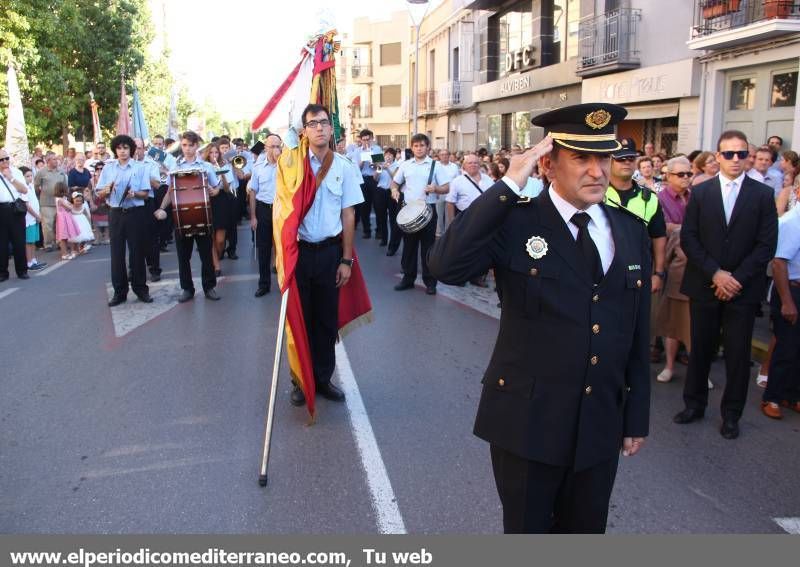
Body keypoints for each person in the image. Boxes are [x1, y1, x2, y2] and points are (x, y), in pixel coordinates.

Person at [429, 103, 651, 534]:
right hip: (527, 421)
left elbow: (638, 329)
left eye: (603, 157)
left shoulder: (628, 229)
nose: (597, 171)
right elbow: (445, 266)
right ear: (548, 165)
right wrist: (510, 183)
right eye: (581, 158)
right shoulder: (515, 220)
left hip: (599, 422)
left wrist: (635, 414)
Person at [673, 129, 778, 440]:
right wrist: (716, 274)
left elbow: (765, 245)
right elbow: (689, 239)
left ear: (748, 156)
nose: (735, 159)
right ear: (717, 157)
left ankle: (731, 415)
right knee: (700, 349)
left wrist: (735, 279)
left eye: (741, 153)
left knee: (736, 355)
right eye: (729, 154)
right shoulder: (701, 193)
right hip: (705, 284)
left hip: (743, 291)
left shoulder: (762, 195)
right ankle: (694, 405)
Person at [286, 104, 364, 407]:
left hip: (329, 253)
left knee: (325, 321)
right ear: (304, 131)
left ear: (332, 129)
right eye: (312, 123)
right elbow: (282, 215)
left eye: (323, 122)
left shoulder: (344, 166)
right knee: (300, 321)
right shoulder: (291, 165)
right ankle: (299, 381)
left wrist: (346, 260)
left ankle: (322, 378)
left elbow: (348, 214)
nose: (319, 128)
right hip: (300, 254)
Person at [154, 131, 221, 303]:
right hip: (181, 219)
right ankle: (187, 289)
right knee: (183, 257)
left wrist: (216, 190)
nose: (188, 149)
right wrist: (162, 208)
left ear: (197, 146)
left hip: (203, 217)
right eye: (184, 145)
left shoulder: (206, 167)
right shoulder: (176, 168)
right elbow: (170, 192)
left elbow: (216, 186)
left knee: (206, 255)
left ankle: (209, 287)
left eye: (191, 145)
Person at [95, 135, 153, 306]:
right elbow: (99, 193)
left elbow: (145, 193)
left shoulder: (139, 168)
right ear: (115, 150)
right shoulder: (108, 168)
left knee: (137, 252)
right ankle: (119, 292)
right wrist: (106, 190)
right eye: (119, 148)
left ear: (131, 150)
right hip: (116, 213)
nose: (122, 151)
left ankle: (141, 289)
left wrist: (133, 193)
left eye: (126, 148)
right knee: (117, 254)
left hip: (135, 212)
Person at [390, 133, 451, 295]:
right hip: (409, 211)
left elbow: (446, 187)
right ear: (412, 147)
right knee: (409, 247)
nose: (418, 148)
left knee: (428, 248)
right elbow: (395, 182)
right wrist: (394, 190)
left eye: (422, 145)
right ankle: (408, 279)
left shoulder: (435, 166)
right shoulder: (405, 165)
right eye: (416, 146)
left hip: (428, 211)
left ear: (428, 148)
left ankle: (430, 282)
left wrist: (436, 189)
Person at [654, 156, 694, 383]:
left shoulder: (696, 197)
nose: (686, 178)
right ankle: (669, 366)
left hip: (698, 266)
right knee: (672, 322)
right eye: (681, 174)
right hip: (673, 266)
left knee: (695, 323)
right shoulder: (659, 199)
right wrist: (689, 230)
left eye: (689, 174)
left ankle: (697, 370)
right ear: (668, 176)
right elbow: (663, 227)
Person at [760, 204, 800, 419]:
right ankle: (772, 397)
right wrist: (787, 302)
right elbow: (778, 263)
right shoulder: (792, 222)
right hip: (791, 291)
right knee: (787, 347)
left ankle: (791, 395)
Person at [248, 134, 282, 297]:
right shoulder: (258, 166)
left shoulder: (286, 165)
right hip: (263, 209)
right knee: (264, 248)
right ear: (266, 148)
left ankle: (285, 284)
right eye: (272, 146)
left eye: (278, 146)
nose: (276, 149)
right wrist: (253, 216)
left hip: (281, 209)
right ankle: (264, 284)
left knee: (283, 247)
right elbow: (253, 191)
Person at [201, 142, 233, 277]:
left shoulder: (225, 165)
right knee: (210, 236)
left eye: (216, 153)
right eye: (211, 153)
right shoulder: (203, 167)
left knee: (220, 239)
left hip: (221, 202)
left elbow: (226, 188)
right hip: (207, 201)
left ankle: (219, 254)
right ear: (207, 154)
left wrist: (223, 175)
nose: (214, 155)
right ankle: (216, 266)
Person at [0, 147, 30, 281]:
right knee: (2, 243)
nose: (5, 161)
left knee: (19, 241)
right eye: (1, 159)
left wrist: (11, 178)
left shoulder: (16, 172)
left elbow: (24, 190)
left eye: (7, 158)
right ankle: (2, 272)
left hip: (15, 208)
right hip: (1, 209)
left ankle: (22, 270)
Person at [350, 129, 382, 239]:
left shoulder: (377, 149)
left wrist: (374, 164)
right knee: (364, 207)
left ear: (372, 139)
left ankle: (379, 231)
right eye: (364, 140)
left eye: (368, 139)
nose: (366, 142)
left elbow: (380, 167)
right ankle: (366, 230)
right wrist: (363, 160)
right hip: (363, 179)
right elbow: (356, 169)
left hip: (374, 179)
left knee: (378, 206)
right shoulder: (357, 151)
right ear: (361, 140)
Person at [33, 153, 68, 250]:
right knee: (48, 225)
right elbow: (36, 186)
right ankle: (48, 244)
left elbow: (65, 185)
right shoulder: (41, 172)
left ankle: (60, 243)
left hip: (59, 202)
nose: (56, 161)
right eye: (53, 159)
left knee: (59, 224)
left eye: (56, 159)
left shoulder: (61, 171)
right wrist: (38, 197)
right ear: (47, 161)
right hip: (46, 203)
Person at [18, 166, 46, 271]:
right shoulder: (23, 188)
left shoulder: (31, 186)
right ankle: (29, 262)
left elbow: (34, 202)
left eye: (31, 176)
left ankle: (34, 260)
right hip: (28, 218)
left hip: (34, 218)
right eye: (27, 176)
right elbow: (27, 205)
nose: (30, 178)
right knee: (28, 241)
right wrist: (36, 215)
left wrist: (38, 214)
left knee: (33, 241)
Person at [373, 148, 400, 249]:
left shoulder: (397, 165)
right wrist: (379, 168)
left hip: (391, 192)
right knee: (381, 217)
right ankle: (384, 239)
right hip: (380, 191)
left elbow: (396, 178)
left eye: (390, 155)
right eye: (386, 155)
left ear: (394, 156)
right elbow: (375, 178)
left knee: (393, 218)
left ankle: (392, 243)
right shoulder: (381, 164)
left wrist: (387, 168)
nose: (388, 156)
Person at [434, 149, 461, 237]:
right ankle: (438, 233)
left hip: (451, 193)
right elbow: (434, 180)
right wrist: (436, 191)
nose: (444, 156)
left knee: (449, 214)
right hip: (439, 193)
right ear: (439, 156)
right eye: (442, 154)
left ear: (449, 155)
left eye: (446, 154)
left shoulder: (454, 166)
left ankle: (448, 233)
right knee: (439, 214)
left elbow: (458, 180)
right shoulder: (436, 166)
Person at [54, 183, 80, 260]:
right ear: (63, 190)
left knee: (68, 235)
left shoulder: (63, 198)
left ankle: (72, 251)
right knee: (63, 237)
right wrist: (71, 206)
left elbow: (70, 206)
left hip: (66, 217)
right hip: (63, 218)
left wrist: (70, 206)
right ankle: (64, 254)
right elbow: (69, 207)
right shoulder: (60, 199)